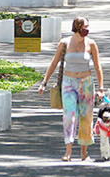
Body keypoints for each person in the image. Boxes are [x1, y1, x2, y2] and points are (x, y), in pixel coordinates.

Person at [38, 17, 106, 161]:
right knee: (69, 116)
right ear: (77, 27)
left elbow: (98, 67)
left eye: (88, 26)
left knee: (86, 117)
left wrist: (101, 88)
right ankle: (68, 151)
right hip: (68, 82)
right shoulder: (64, 43)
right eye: (84, 27)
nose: (87, 30)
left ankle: (84, 151)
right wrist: (44, 82)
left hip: (86, 83)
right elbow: (54, 63)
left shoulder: (91, 44)